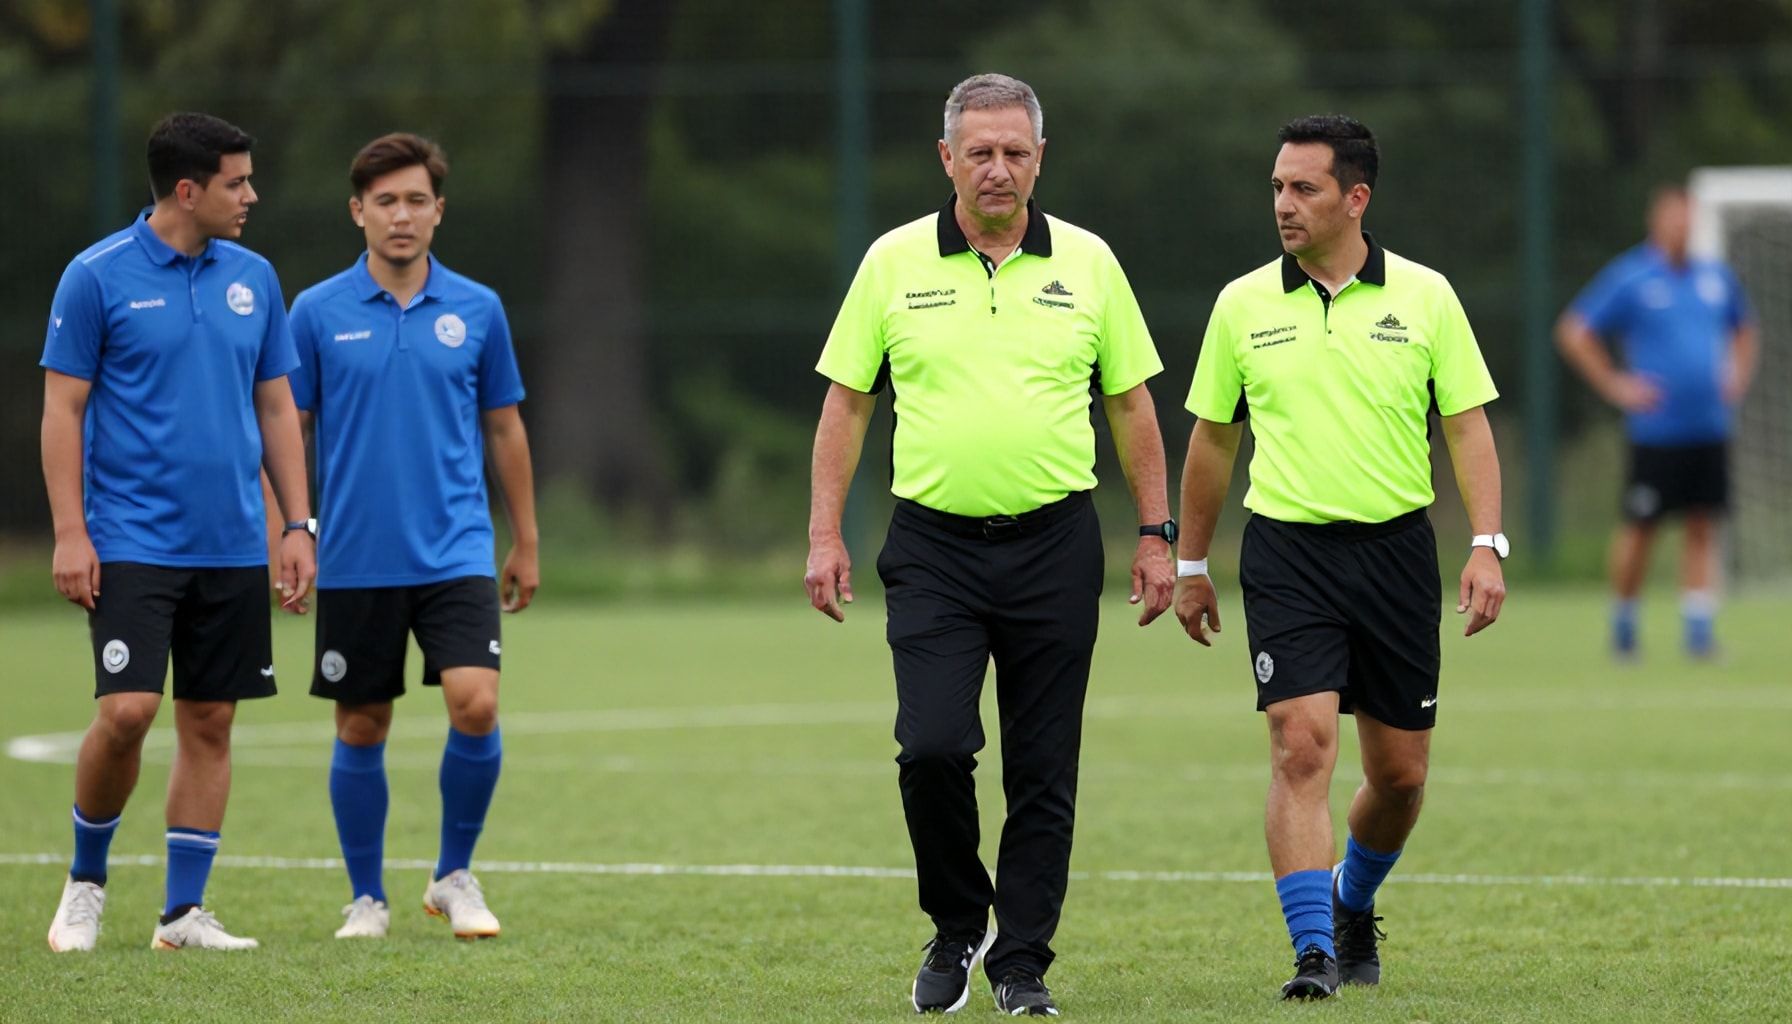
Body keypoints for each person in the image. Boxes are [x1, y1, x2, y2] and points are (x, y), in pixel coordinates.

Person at [804, 73, 1173, 1017]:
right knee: (930, 747)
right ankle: (959, 919)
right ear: (947, 159)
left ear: (1040, 157)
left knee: (1044, 766)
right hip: (931, 550)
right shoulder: (893, 262)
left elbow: (1131, 402)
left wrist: (1157, 536)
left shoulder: (1089, 263)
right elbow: (848, 401)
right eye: (980, 152)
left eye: (1016, 152)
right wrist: (823, 534)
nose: (999, 169)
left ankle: (1022, 964)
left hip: (1056, 544)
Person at [1174, 115, 1506, 999]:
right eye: (1277, 186)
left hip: (1399, 554)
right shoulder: (1241, 305)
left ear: (1355, 198)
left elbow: (1467, 426)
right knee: (1300, 744)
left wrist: (1484, 544)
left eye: (1304, 188)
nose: (1283, 204)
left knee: (1398, 777)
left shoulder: (1428, 297)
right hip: (1288, 553)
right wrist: (1192, 564)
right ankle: (1314, 953)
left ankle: (1353, 899)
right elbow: (1211, 442)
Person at [41, 112, 315, 953]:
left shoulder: (255, 277)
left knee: (210, 722)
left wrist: (296, 522)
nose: (251, 195)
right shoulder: (96, 276)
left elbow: (275, 404)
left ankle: (182, 914)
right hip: (130, 539)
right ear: (188, 190)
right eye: (237, 181)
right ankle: (86, 884)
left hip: (232, 540)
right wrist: (69, 533)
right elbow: (63, 409)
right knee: (126, 711)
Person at [285, 133, 538, 941]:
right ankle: (367, 897)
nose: (402, 215)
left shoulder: (478, 309)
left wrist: (525, 538)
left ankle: (453, 874)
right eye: (385, 201)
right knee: (362, 724)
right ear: (358, 211)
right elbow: (285, 428)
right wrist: (289, 532)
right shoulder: (315, 312)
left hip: (457, 549)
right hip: (356, 554)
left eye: (416, 200)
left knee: (476, 700)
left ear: (438, 211)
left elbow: (504, 427)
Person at [1556, 185, 1757, 660]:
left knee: (1703, 525)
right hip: (1657, 432)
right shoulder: (1632, 276)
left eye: (1687, 218)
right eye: (1672, 217)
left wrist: (1737, 375)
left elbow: (1744, 329)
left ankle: (1698, 631)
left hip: (1709, 426)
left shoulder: (1714, 277)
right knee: (1641, 528)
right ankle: (1624, 626)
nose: (1681, 226)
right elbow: (1574, 330)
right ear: (1656, 221)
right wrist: (1615, 385)